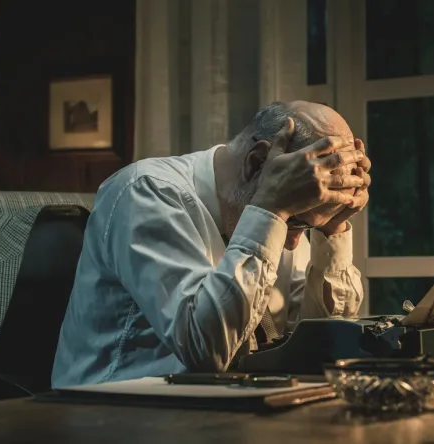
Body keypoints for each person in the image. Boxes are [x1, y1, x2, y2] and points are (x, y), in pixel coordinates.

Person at [51, 101, 371, 387]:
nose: (292, 244)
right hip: (110, 414)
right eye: (297, 223)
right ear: (258, 162)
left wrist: (332, 226)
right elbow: (205, 351)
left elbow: (319, 343)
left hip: (218, 410)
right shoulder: (146, 191)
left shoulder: (290, 206)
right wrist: (271, 210)